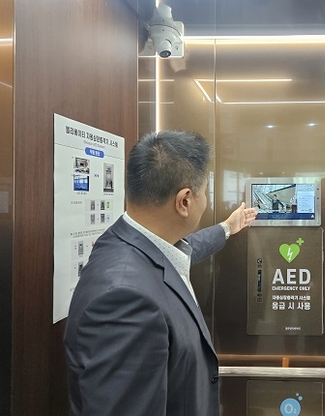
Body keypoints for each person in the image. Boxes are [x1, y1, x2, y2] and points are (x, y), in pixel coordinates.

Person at [64, 131, 257, 416]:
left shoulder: (127, 240)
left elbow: (186, 249)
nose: (205, 201)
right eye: (205, 192)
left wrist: (227, 227)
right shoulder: (126, 301)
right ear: (185, 201)